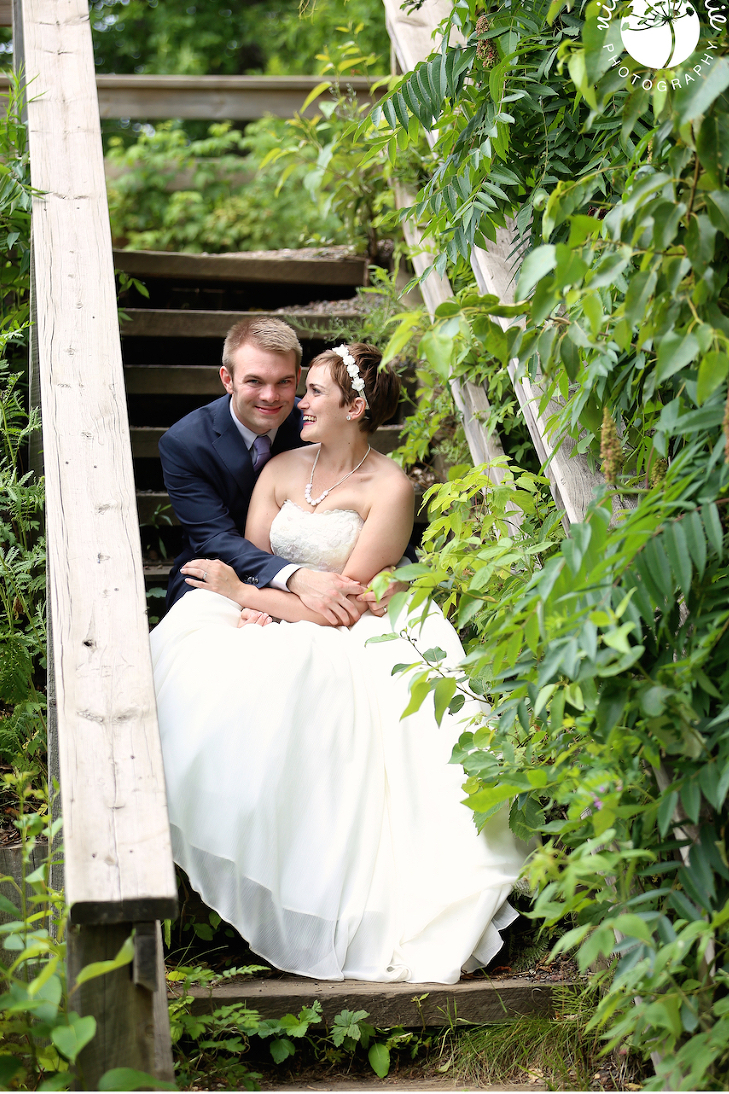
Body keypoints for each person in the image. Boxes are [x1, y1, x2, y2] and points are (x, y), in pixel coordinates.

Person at [150, 343, 527, 984]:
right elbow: (251, 552)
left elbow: (345, 605)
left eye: (314, 392)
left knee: (303, 680)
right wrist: (252, 599)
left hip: (353, 625)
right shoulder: (280, 470)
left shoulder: (392, 487)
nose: (298, 402)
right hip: (276, 603)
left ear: (353, 408)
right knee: (193, 643)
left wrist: (244, 595)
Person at [158, 317, 395, 623]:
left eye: (283, 382)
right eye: (254, 381)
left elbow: (376, 502)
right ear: (227, 379)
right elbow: (214, 539)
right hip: (221, 570)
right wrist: (293, 578)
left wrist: (397, 571)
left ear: (297, 377)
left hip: (326, 586)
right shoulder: (185, 444)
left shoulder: (321, 423)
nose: (270, 397)